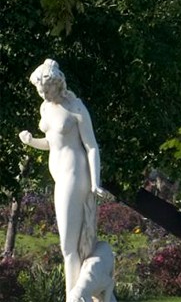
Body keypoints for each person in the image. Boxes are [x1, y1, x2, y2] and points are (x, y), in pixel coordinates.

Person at [18, 59, 111, 296]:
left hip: (75, 174)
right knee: (71, 245)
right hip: (60, 177)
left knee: (68, 246)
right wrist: (31, 142)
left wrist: (94, 183)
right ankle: (79, 295)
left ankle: (74, 296)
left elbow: (91, 147)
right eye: (39, 90)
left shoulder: (76, 108)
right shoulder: (45, 108)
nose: (43, 94)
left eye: (46, 89)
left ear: (57, 84)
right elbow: (52, 143)